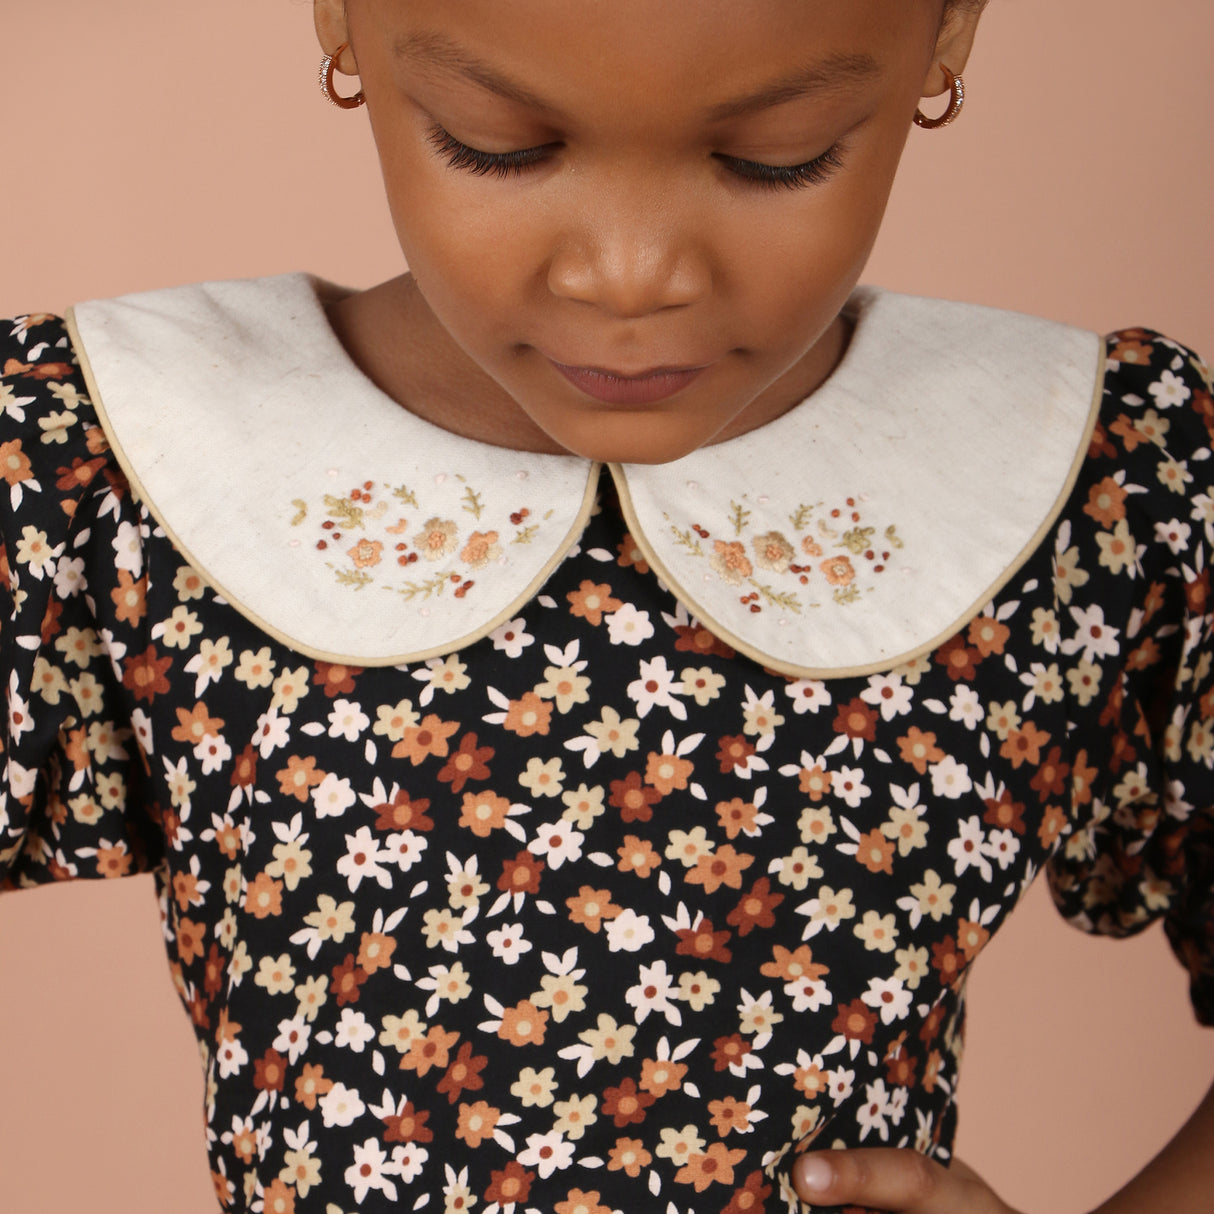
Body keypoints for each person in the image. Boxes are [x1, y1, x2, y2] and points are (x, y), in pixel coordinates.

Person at [2, 2, 1211, 1211]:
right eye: (497, 145)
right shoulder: (101, 453)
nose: (629, 274)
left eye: (774, 156)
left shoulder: (1095, 479)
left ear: (947, 30)